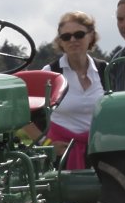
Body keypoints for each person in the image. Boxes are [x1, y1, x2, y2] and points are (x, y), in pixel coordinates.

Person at [42, 11, 106, 169]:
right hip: (60, 158)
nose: (72, 40)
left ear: (91, 36)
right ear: (60, 42)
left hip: (102, 153)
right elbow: (24, 115)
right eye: (66, 37)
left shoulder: (106, 70)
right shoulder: (50, 73)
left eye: (79, 35)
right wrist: (47, 144)